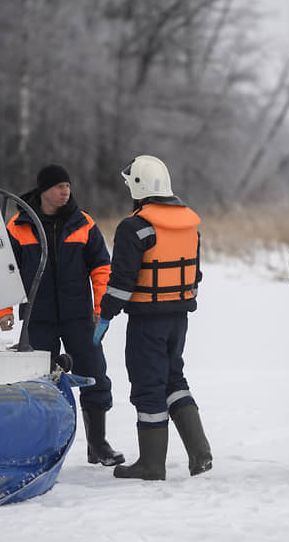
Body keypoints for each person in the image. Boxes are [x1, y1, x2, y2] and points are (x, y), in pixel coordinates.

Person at [0, 164, 124, 467]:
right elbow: (4, 271)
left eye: (68, 185)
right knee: (41, 383)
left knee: (95, 376)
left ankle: (98, 445)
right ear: (44, 191)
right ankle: (44, 448)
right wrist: (3, 310)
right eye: (59, 187)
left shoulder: (84, 223)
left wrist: (100, 309)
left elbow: (102, 268)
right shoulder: (17, 226)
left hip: (80, 318)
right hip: (37, 319)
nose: (66, 191)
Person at [96, 155, 212, 481]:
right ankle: (200, 452)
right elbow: (195, 275)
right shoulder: (189, 225)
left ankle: (151, 464)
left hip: (148, 322)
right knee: (174, 380)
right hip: (179, 318)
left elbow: (121, 283)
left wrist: (104, 317)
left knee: (148, 386)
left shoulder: (134, 227)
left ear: (137, 186)